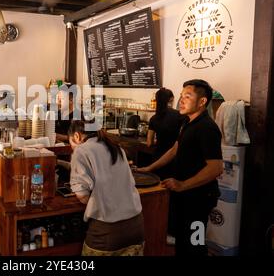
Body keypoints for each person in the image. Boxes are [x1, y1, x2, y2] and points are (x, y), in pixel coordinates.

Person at [139, 79, 223, 256]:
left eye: (188, 96)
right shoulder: (187, 123)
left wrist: (183, 184)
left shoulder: (207, 128)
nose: (181, 100)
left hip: (199, 199)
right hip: (184, 196)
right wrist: (150, 168)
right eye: (181, 96)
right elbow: (174, 149)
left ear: (202, 102)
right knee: (183, 243)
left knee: (195, 244)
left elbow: (216, 168)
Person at [68, 120, 144, 256]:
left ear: (77, 136)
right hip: (136, 228)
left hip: (107, 234)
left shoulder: (81, 150)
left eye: (71, 144)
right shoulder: (115, 147)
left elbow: (82, 196)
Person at [147, 88, 185, 180]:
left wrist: (158, 140)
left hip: (158, 158)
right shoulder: (180, 115)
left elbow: (149, 143)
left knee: (157, 185)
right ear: (171, 99)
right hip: (174, 158)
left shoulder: (154, 118)